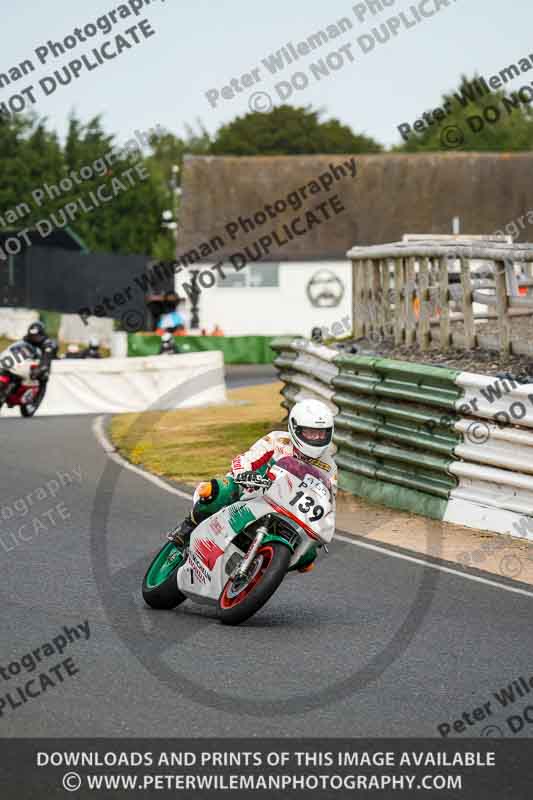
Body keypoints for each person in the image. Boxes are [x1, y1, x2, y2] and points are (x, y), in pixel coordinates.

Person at [171, 399, 336, 567]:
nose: (317, 438)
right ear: (296, 428)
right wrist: (245, 474)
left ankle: (261, 570)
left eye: (321, 433)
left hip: (286, 511)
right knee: (218, 490)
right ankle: (187, 528)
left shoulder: (329, 467)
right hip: (250, 492)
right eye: (311, 432)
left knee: (308, 555)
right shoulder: (277, 440)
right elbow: (246, 458)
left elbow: (327, 501)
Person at [23, 321, 58, 387]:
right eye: (32, 336)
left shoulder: (48, 344)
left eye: (36, 336)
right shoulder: (26, 339)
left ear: (42, 335)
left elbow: (46, 359)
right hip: (26, 367)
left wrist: (40, 369)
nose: (34, 338)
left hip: (42, 370)